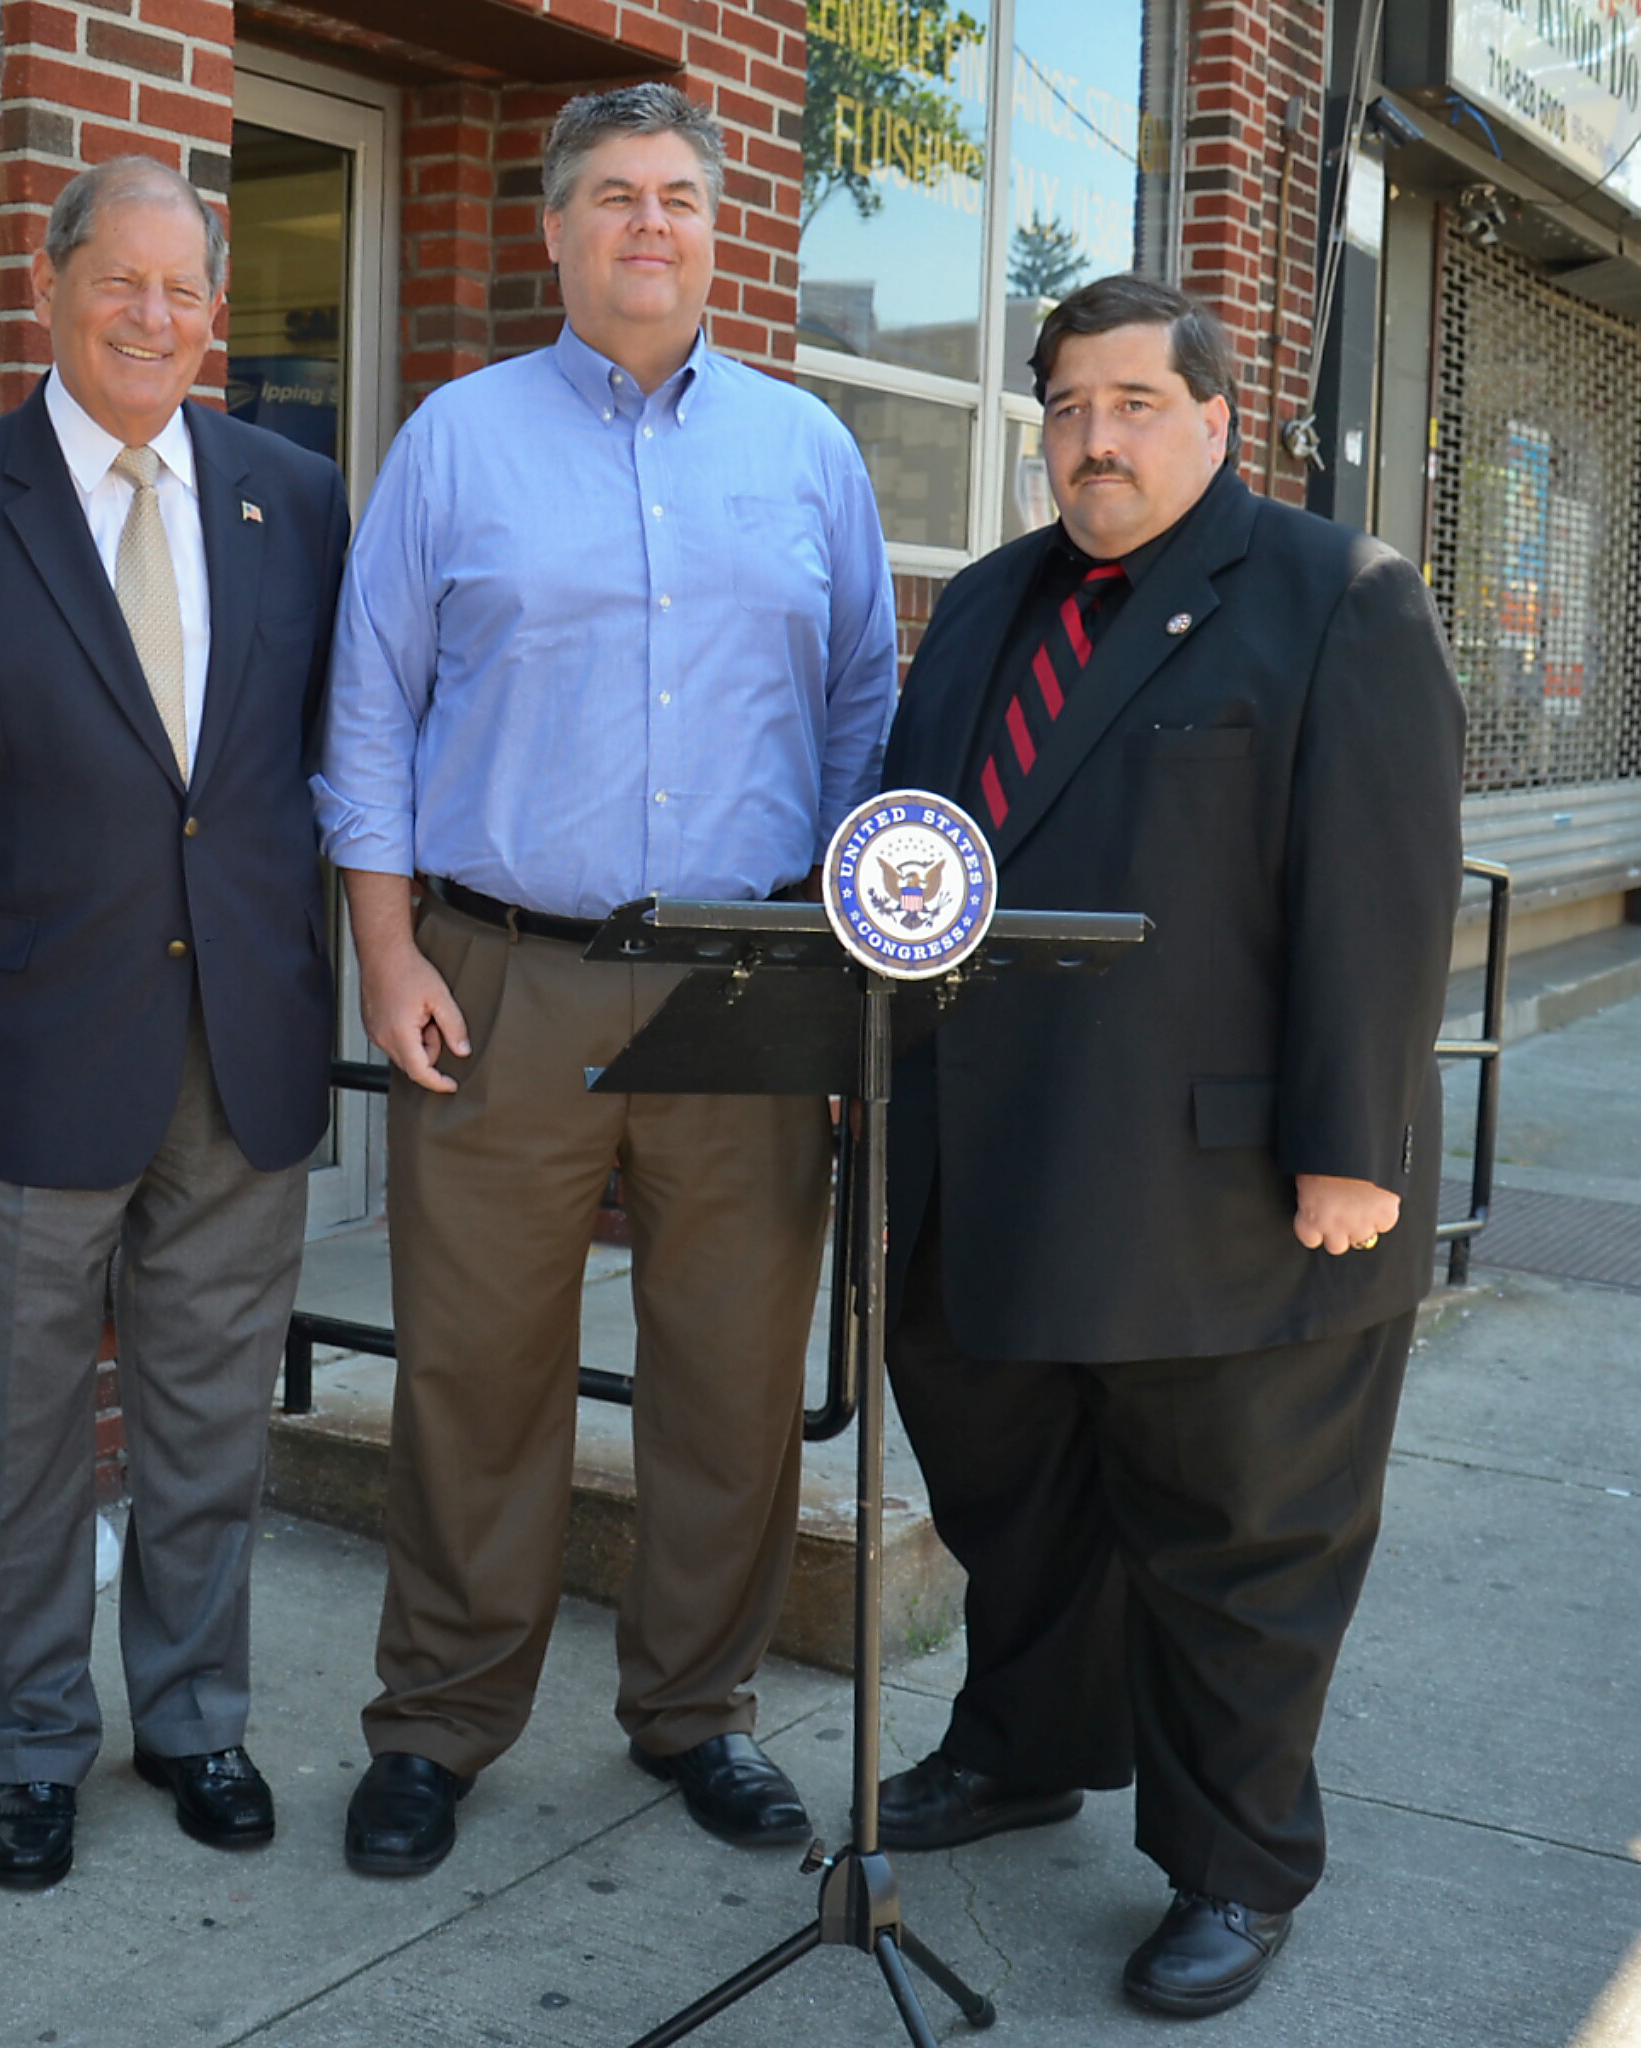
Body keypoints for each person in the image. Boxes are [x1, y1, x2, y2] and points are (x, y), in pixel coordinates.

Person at [316, 82, 896, 1876]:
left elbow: (863, 710)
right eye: (613, 197)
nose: (649, 223)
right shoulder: (456, 441)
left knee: (728, 1380)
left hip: (746, 977)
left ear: (719, 234)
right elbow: (368, 706)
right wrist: (390, 944)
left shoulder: (808, 451)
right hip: (504, 978)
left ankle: (694, 1713)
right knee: (474, 1376)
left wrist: (836, 969)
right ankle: (439, 1720)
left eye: (678, 197)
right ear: (553, 233)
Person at [875, 274, 1465, 2016]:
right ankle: (1027, 1747)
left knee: (1239, 1552)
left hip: (1233, 1197)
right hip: (990, 1177)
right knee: (1025, 1510)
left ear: (1219, 414)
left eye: (1133, 402)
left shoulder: (1335, 598)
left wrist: (1350, 1149)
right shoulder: (986, 607)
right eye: (1064, 407)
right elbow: (912, 855)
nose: (1093, 438)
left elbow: (1380, 894)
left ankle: (1234, 1867)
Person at [0, 157, 347, 1890]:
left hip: (241, 1053)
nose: (153, 317)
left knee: (209, 1425)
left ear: (215, 315)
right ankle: (31, 1744)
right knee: (18, 1436)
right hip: (18, 1064)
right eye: (119, 281)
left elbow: (320, 771)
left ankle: (195, 1719)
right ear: (49, 288)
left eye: (184, 291)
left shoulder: (293, 497)